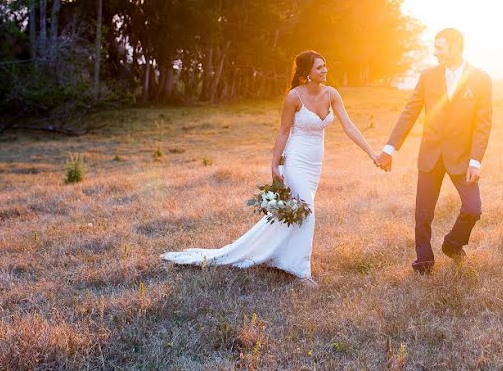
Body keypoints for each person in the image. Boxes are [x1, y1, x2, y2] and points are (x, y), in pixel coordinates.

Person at [162, 50, 380, 287]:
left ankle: (280, 255)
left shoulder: (332, 94)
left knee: (297, 213)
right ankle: (301, 272)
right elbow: (284, 131)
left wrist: (372, 153)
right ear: (307, 73)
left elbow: (349, 126)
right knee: (307, 209)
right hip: (295, 159)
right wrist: (274, 164)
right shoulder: (294, 97)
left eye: (325, 66)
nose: (325, 70)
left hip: (315, 164)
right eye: (319, 67)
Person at [377, 28, 493, 274]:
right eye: (435, 47)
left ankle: (452, 244)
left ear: (456, 47)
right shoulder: (428, 76)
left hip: (462, 158)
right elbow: (410, 112)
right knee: (423, 213)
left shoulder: (481, 79)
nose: (434, 52)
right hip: (430, 155)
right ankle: (424, 262)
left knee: (473, 208)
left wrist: (475, 161)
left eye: (439, 47)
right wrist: (390, 149)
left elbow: (483, 124)